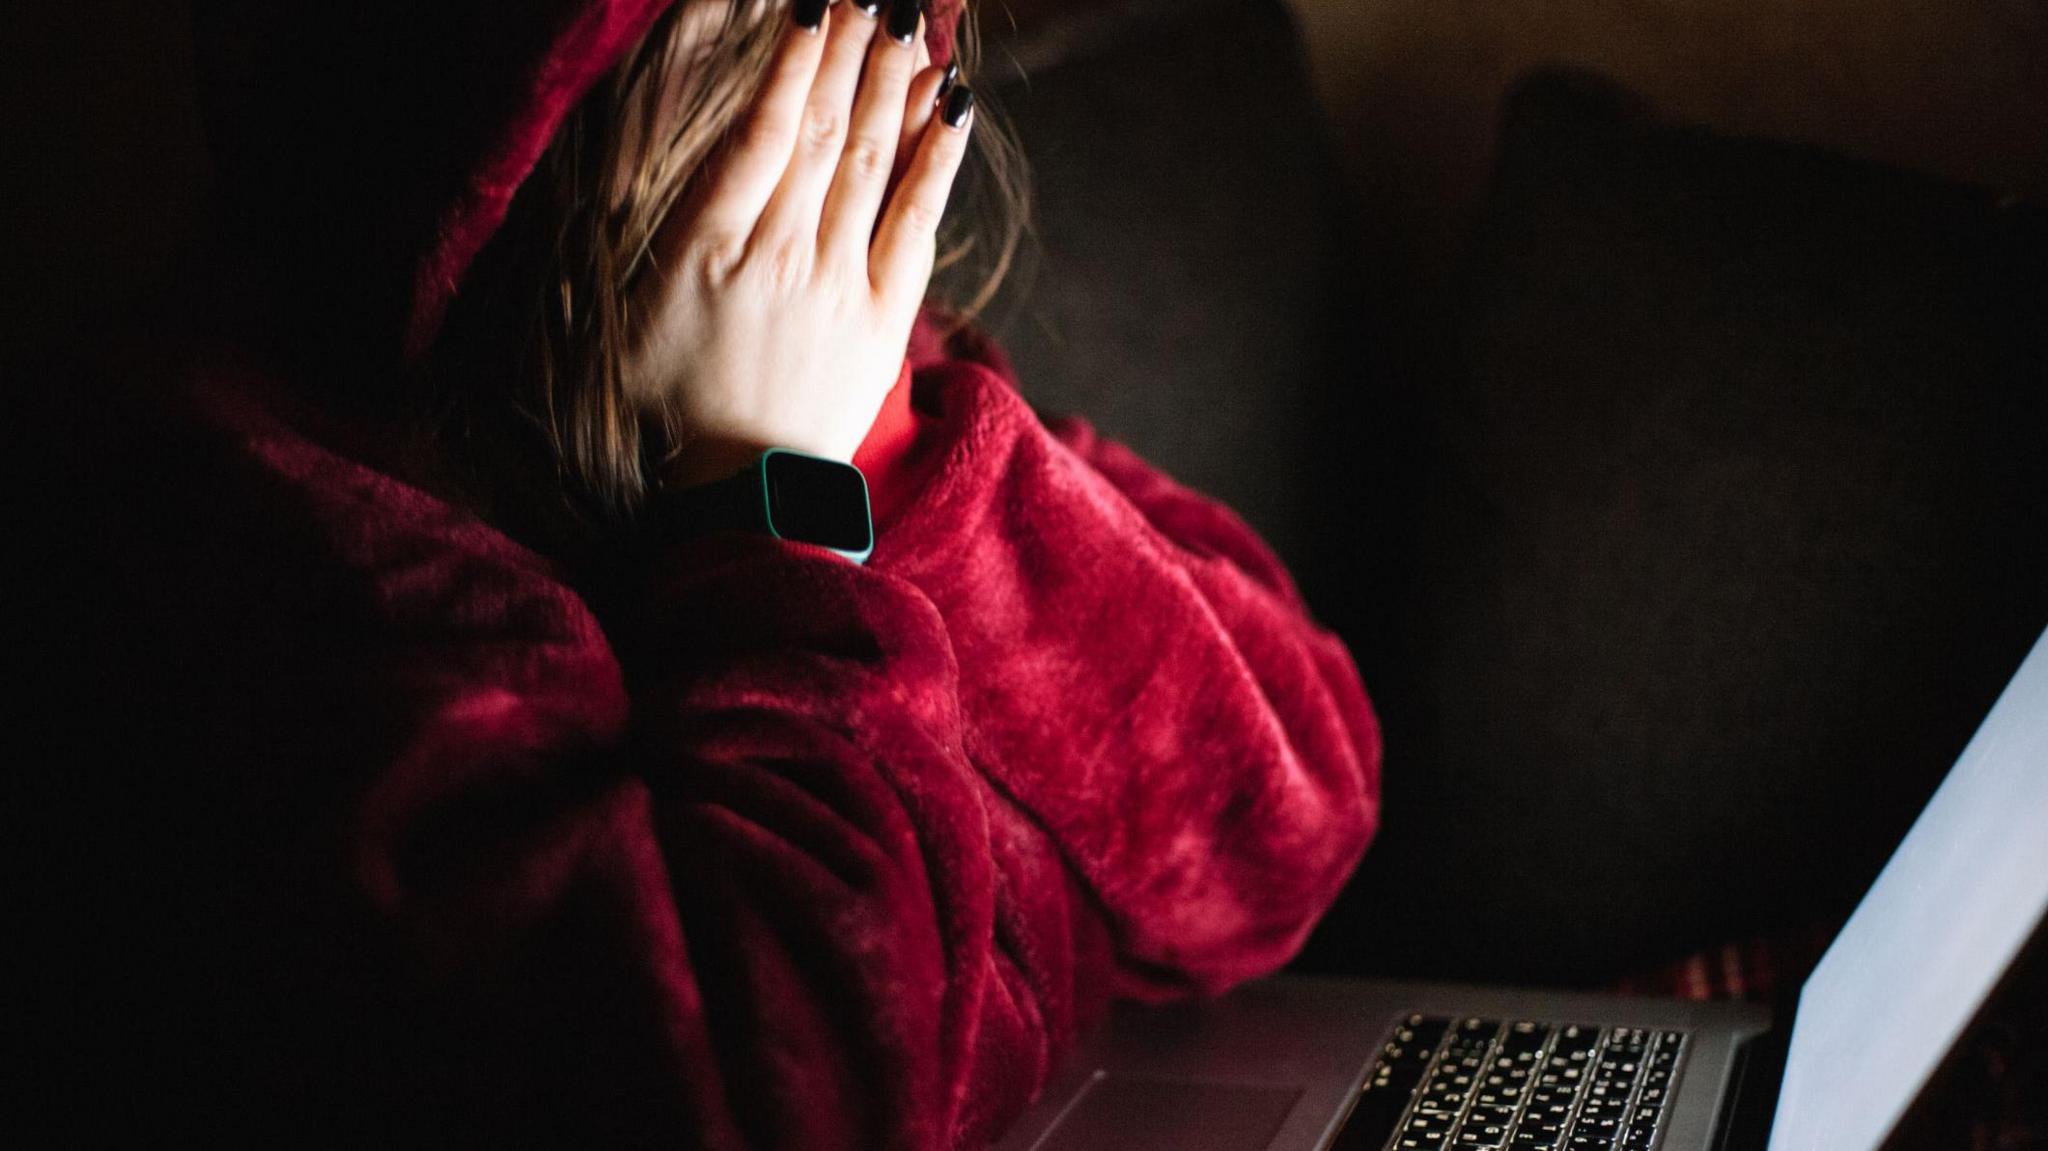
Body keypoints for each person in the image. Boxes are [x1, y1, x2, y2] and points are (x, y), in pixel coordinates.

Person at [32, 0, 1382, 1144]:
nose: (864, 96)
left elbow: (1289, 838)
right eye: (779, 39)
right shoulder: (274, 529)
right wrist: (769, 513)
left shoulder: (881, 376)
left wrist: (878, 453)